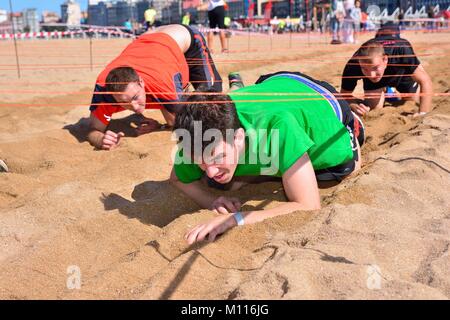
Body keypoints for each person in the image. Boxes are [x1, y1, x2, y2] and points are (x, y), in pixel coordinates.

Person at [170, 71, 365, 244]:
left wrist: (234, 219)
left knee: (341, 171)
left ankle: (354, 123)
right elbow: (176, 178)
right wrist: (211, 200)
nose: (210, 170)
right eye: (200, 162)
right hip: (271, 83)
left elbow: (309, 205)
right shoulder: (196, 138)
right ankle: (237, 89)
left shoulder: (277, 127)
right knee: (224, 181)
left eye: (217, 157)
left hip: (324, 100)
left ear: (237, 137)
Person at [87, 24, 222, 150]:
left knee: (214, 102)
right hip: (152, 49)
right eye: (123, 102)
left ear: (141, 82)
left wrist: (165, 124)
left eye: (135, 97)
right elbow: (93, 130)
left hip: (183, 39)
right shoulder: (104, 89)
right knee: (173, 115)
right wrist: (101, 139)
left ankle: (235, 84)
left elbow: (184, 124)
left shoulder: (163, 83)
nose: (134, 108)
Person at [340, 33, 433, 118]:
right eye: (364, 69)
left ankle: (389, 91)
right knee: (374, 108)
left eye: (375, 67)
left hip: (401, 73)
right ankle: (387, 90)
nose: (371, 75)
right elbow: (344, 94)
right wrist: (353, 105)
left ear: (385, 60)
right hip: (377, 82)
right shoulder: (353, 64)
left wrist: (423, 113)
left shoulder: (401, 49)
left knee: (411, 100)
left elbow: (425, 80)